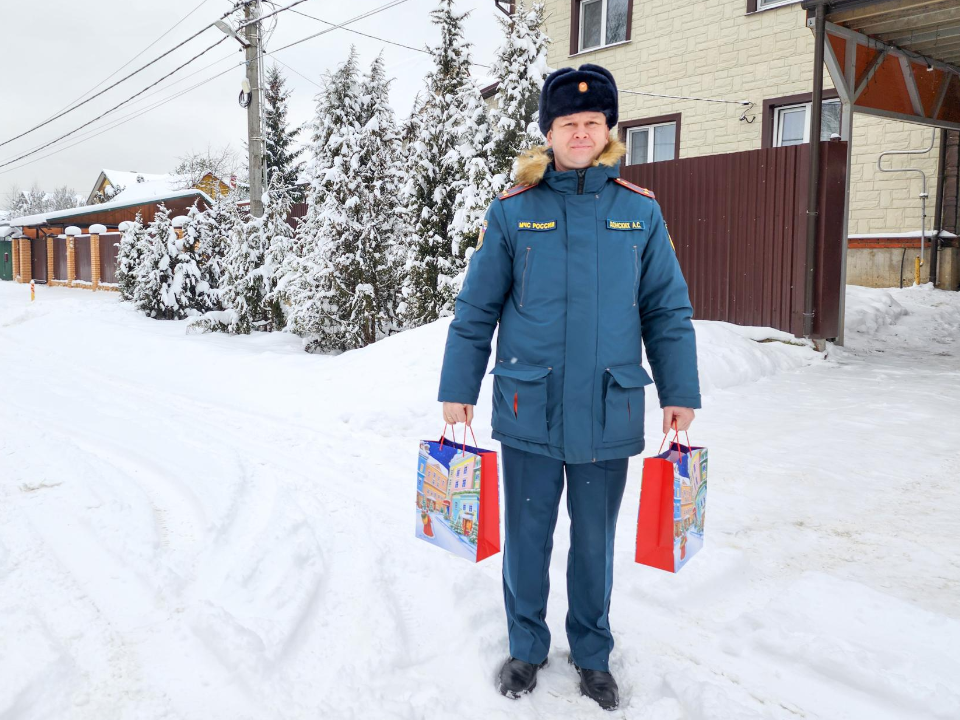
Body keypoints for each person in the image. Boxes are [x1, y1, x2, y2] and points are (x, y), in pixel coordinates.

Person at [437, 63, 700, 711]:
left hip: (608, 409)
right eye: (566, 124)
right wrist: (457, 386)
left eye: (591, 122)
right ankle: (527, 647)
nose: (580, 133)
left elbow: (666, 309)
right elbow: (476, 310)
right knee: (527, 539)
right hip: (528, 405)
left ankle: (592, 653)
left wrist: (679, 392)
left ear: (609, 129)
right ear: (548, 134)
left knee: (594, 543)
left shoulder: (638, 213)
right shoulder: (514, 213)